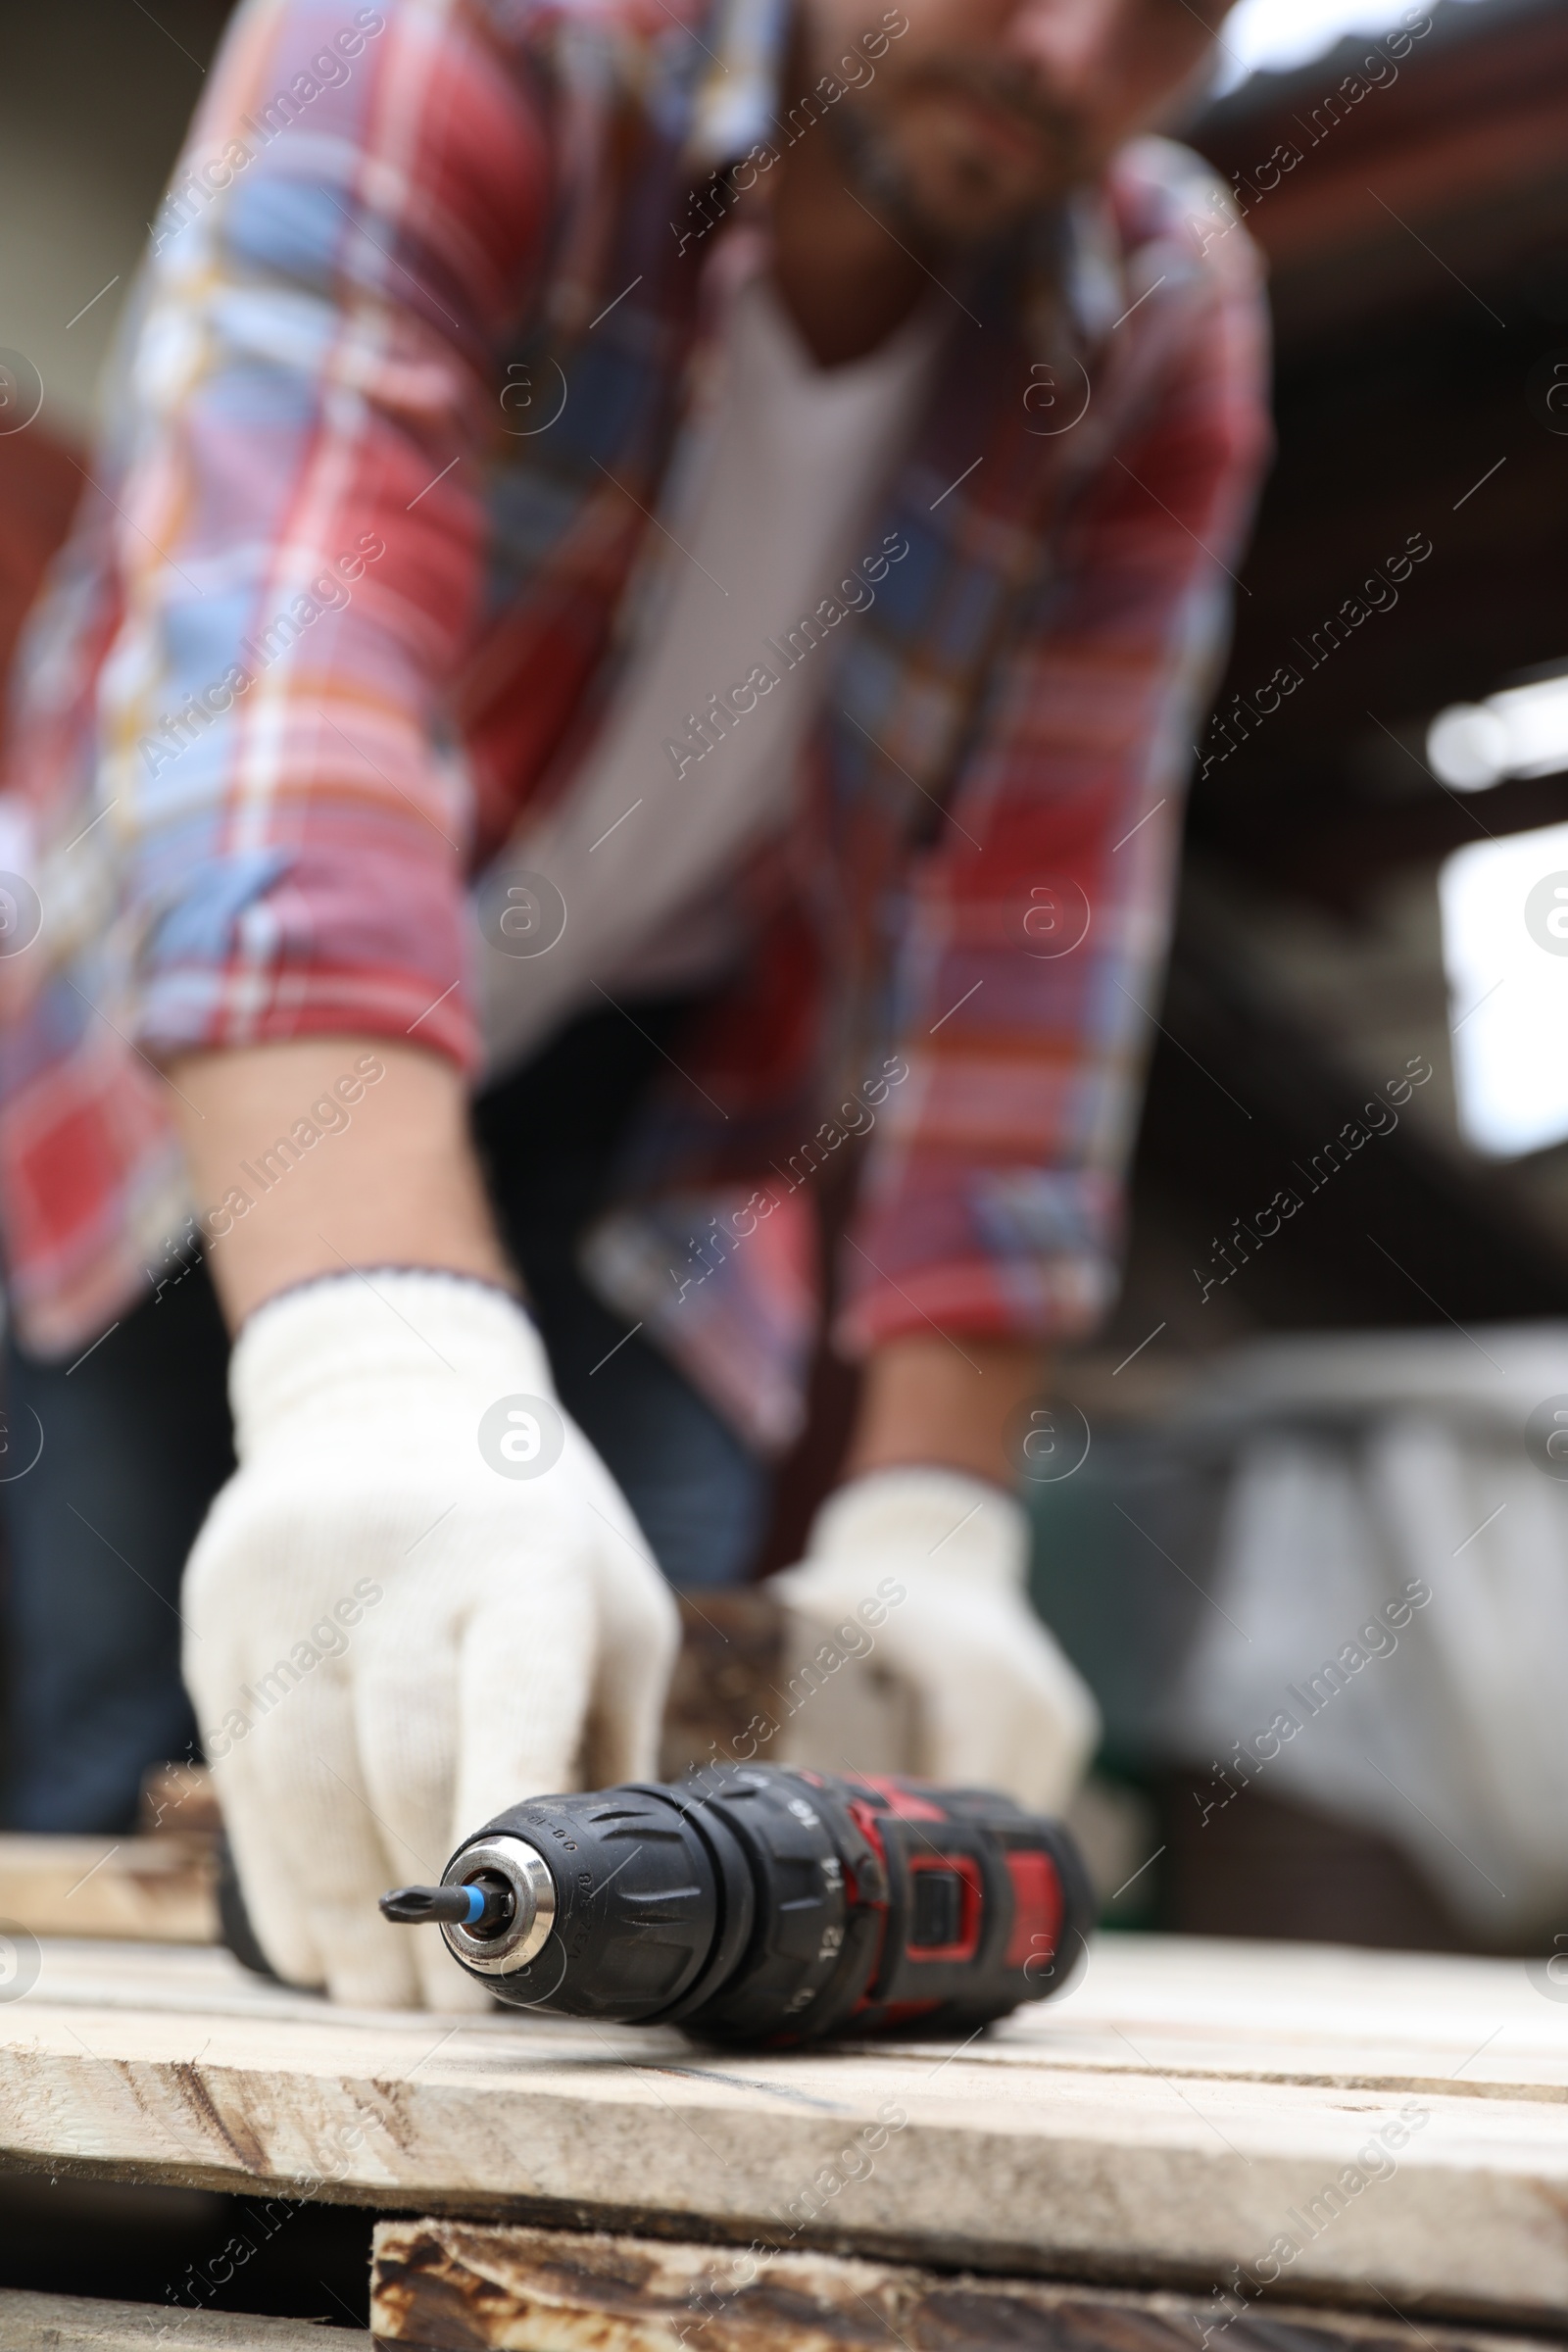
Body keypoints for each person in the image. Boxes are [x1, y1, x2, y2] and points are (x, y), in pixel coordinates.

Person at [0, 0, 1267, 2006]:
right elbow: (275, 666)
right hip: (198, 1052)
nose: (1067, 47)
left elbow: (1042, 910)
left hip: (655, 1110)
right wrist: (370, 1359)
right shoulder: (462, 35)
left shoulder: (1153, 321)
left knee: (649, 1811)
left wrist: (933, 1510)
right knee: (140, 1769)